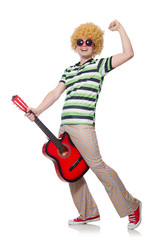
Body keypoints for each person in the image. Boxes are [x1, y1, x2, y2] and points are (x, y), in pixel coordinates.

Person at [26, 20, 142, 230]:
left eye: (88, 41)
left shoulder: (98, 65)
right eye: (80, 41)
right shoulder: (69, 70)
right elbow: (55, 93)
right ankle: (88, 212)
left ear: (95, 45)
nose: (84, 44)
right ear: (75, 44)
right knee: (70, 170)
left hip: (83, 127)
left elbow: (128, 54)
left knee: (98, 167)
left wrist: (121, 30)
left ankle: (132, 205)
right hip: (64, 127)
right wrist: (38, 109)